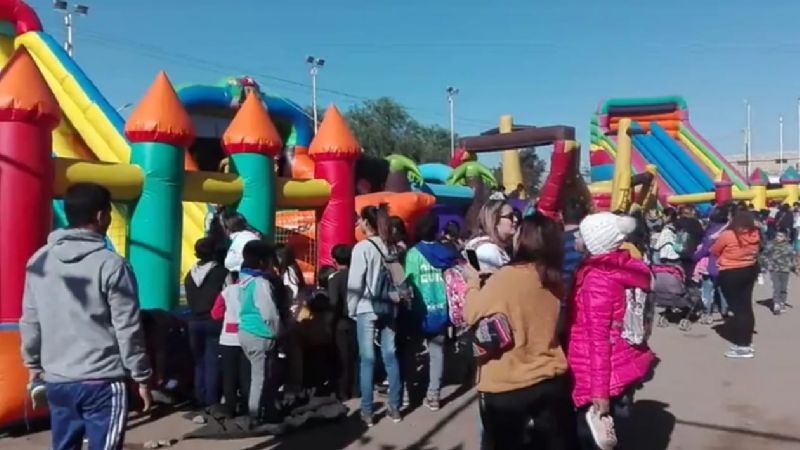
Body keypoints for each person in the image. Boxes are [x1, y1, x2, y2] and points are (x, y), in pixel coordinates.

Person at [19, 183, 152, 450]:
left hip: (57, 379)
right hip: (102, 380)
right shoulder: (111, 264)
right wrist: (141, 375)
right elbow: (127, 327)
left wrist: (33, 365)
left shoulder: (39, 261)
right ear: (102, 216)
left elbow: (30, 320)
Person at [464, 214, 577, 450]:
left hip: (507, 384)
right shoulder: (554, 279)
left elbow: (470, 313)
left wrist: (473, 282)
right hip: (550, 378)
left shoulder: (506, 278)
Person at [568, 212, 656, 450]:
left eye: (581, 234)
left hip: (595, 370)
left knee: (591, 437)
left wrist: (599, 392)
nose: (575, 237)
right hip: (622, 359)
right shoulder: (623, 266)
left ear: (594, 242)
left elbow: (597, 339)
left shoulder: (598, 279)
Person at [347, 204, 404, 426]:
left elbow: (355, 282)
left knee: (367, 359)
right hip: (389, 306)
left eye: (361, 220)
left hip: (366, 307)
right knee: (391, 356)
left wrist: (351, 308)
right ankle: (395, 408)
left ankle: (368, 411)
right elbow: (400, 279)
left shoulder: (362, 248)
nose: (359, 224)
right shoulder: (390, 247)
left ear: (367, 223)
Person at [403, 212, 461, 411]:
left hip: (419, 310)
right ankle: (434, 395)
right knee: (437, 353)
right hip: (441, 309)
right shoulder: (446, 251)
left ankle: (408, 394)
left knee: (411, 353)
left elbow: (408, 283)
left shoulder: (413, 254)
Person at [237, 240, 283, 425]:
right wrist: (278, 332)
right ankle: (255, 415)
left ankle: (263, 409)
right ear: (263, 261)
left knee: (258, 376)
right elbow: (269, 313)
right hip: (261, 335)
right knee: (260, 378)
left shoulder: (243, 279)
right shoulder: (261, 283)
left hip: (245, 331)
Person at [184, 237, 229, 410]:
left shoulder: (189, 274)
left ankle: (199, 397)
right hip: (214, 321)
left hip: (194, 321)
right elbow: (229, 296)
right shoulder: (222, 273)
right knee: (212, 361)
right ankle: (212, 401)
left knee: (199, 362)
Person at [710, 209, 760, 359]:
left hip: (731, 272)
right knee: (746, 307)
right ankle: (746, 341)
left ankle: (743, 346)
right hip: (749, 269)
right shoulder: (754, 234)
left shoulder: (728, 235)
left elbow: (714, 250)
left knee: (738, 310)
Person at [325, 244, 357, 400]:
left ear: (334, 260)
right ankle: (356, 389)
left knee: (342, 358)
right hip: (357, 320)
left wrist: (329, 324)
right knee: (356, 356)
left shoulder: (335, 279)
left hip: (340, 323)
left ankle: (343, 392)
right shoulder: (357, 275)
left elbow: (333, 302)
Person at [693, 206, 730, 323]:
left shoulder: (711, 230)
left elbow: (705, 248)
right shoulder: (729, 230)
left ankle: (706, 313)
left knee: (707, 289)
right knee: (723, 289)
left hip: (711, 264)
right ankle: (724, 311)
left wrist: (695, 256)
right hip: (726, 264)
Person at [465, 199, 519, 271]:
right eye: (510, 216)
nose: (516, 219)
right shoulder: (488, 251)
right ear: (495, 221)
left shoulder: (488, 247)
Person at [759, 230, 798, 315]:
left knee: (783, 288)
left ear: (785, 238)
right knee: (776, 287)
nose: (778, 238)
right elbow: (763, 255)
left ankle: (782, 302)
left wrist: (794, 268)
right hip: (774, 270)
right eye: (777, 236)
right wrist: (767, 264)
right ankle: (776, 304)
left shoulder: (789, 247)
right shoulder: (771, 245)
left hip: (785, 270)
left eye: (781, 236)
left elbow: (793, 258)